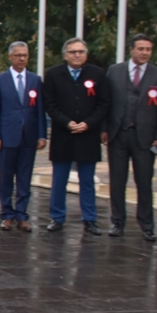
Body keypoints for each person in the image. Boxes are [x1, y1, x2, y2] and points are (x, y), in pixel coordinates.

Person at [43, 38, 111, 235]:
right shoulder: (54, 74)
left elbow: (104, 103)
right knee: (59, 180)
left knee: (87, 181)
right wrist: (67, 122)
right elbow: (50, 104)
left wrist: (89, 123)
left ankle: (89, 219)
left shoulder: (97, 74)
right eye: (72, 52)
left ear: (86, 54)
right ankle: (57, 217)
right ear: (65, 55)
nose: (77, 55)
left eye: (81, 51)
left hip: (88, 135)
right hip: (63, 134)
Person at [103, 34, 157, 240]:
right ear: (132, 50)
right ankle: (117, 223)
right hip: (118, 135)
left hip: (145, 139)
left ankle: (147, 225)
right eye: (141, 49)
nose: (145, 53)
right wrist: (104, 129)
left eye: (148, 49)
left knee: (144, 183)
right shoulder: (114, 71)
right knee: (117, 181)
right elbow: (106, 102)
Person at [0, 42, 47, 232]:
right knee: (6, 177)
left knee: (24, 177)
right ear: (10, 57)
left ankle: (22, 215)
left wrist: (41, 135)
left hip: (28, 137)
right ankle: (7, 215)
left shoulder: (35, 80)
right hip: (6, 137)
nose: (22, 58)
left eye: (25, 55)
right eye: (18, 55)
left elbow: (39, 110)